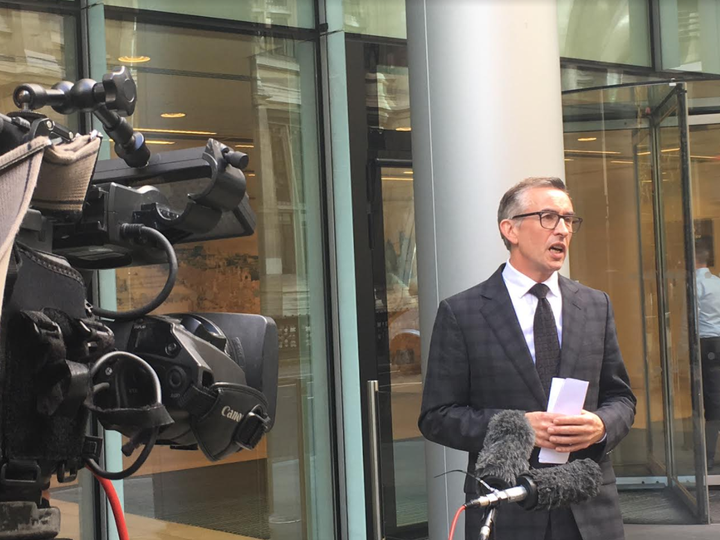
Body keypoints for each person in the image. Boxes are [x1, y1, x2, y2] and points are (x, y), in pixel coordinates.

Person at [419, 177, 636, 540]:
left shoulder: (595, 304)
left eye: (568, 219)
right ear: (511, 229)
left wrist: (600, 425)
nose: (563, 229)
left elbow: (622, 398)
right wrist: (518, 427)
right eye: (549, 217)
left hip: (588, 506)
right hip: (508, 507)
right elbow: (437, 416)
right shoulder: (463, 312)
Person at [695, 243, 720, 470]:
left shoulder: (695, 284)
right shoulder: (717, 282)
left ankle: (708, 456)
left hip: (703, 342)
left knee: (710, 399)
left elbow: (689, 317)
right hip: (718, 340)